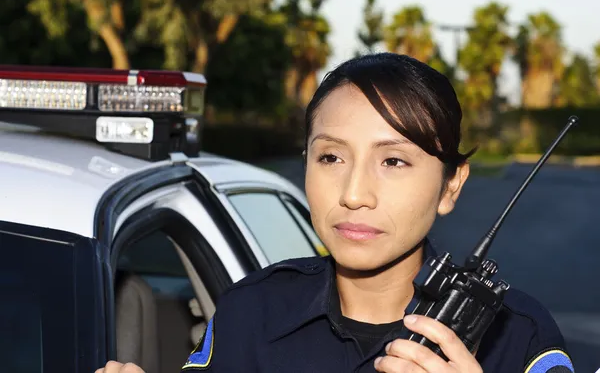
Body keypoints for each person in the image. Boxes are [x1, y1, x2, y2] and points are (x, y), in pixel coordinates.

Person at [96, 53, 574, 373]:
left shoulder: (520, 338)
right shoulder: (251, 314)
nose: (354, 193)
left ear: (451, 185)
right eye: (331, 157)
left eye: (393, 161)